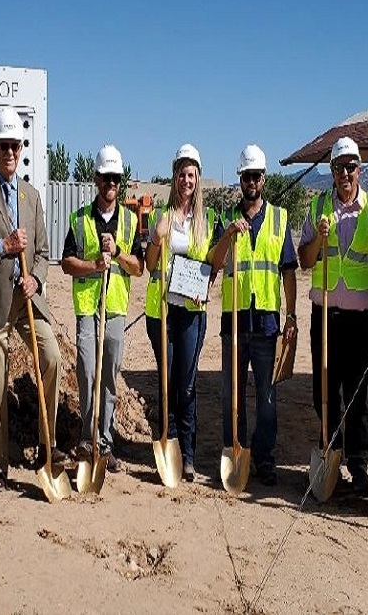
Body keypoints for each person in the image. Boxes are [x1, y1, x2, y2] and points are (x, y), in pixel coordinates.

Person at [0, 107, 65, 492]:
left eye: (15, 146)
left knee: (51, 357)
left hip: (26, 303)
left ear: (21, 149)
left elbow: (42, 250)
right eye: (3, 145)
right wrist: (2, 246)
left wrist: (36, 279)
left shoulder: (31, 195)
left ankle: (45, 444)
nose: (9, 152)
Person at [297, 137, 368, 493]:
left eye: (351, 167)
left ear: (359, 171)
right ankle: (330, 451)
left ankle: (359, 466)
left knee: (357, 393)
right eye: (339, 167)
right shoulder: (318, 206)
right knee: (324, 389)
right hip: (325, 315)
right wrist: (319, 238)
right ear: (331, 172)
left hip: (360, 318)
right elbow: (305, 260)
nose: (345, 173)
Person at [209, 144, 298, 487]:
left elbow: (288, 271)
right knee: (231, 394)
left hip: (266, 322)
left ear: (263, 179)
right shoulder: (226, 220)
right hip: (234, 321)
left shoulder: (279, 218)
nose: (250, 182)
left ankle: (264, 459)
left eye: (255, 176)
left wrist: (291, 317)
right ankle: (235, 450)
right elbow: (214, 266)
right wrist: (227, 236)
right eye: (245, 176)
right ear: (240, 180)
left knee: (267, 396)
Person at [60, 145, 144, 473]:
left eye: (116, 179)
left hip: (115, 308)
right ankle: (87, 435)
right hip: (86, 306)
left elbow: (137, 267)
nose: (111, 183)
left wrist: (119, 252)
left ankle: (105, 441)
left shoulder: (129, 221)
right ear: (96, 179)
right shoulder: (80, 219)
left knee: (109, 374)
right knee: (86, 370)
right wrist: (94, 265)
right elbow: (66, 263)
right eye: (106, 177)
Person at [143, 143, 218, 482]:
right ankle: (167, 443)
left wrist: (204, 288)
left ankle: (188, 454)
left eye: (192, 174)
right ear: (174, 178)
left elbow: (212, 265)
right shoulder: (162, 216)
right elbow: (149, 265)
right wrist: (157, 240)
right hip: (162, 312)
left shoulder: (209, 219)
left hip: (191, 312)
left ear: (197, 179)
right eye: (181, 174)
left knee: (187, 384)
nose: (186, 180)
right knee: (167, 382)